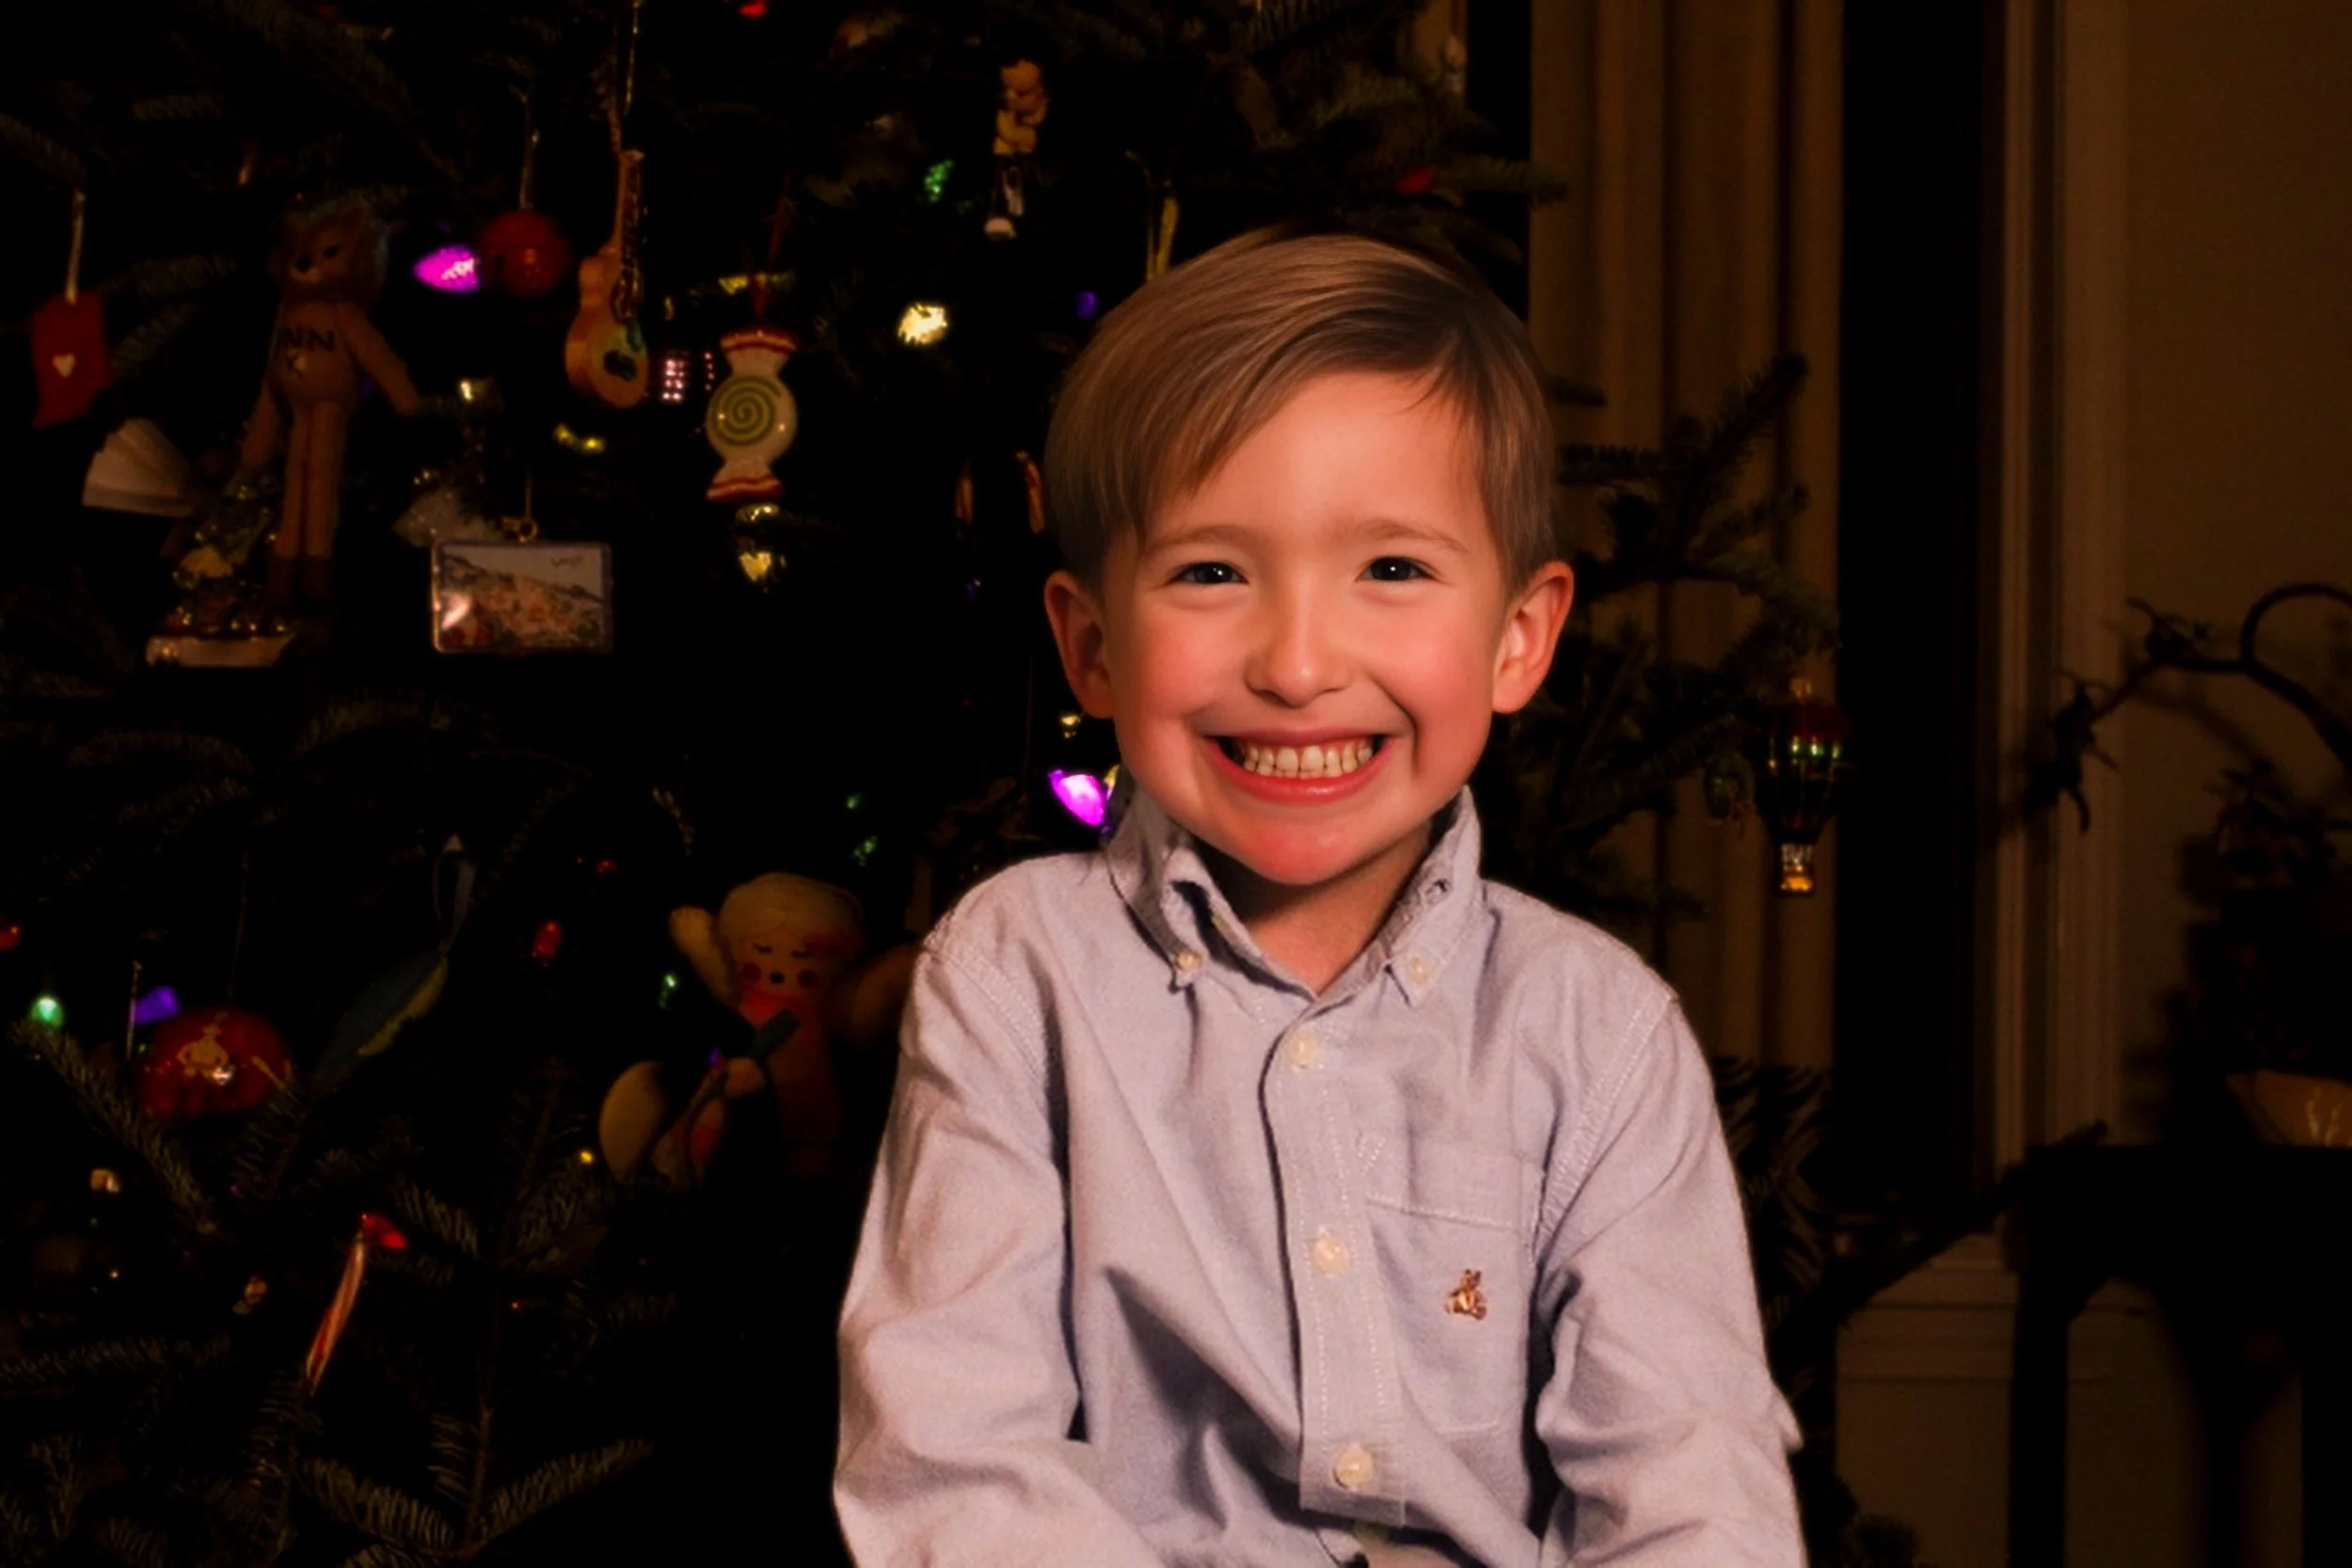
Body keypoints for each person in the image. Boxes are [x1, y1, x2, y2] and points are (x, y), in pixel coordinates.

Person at [835, 229, 1803, 1566]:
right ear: (1093, 643)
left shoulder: (1601, 1030)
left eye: (1391, 569)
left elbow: (1693, 1485)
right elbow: (952, 1452)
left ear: (1518, 638)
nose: (1297, 665)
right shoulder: (1014, 974)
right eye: (1212, 572)